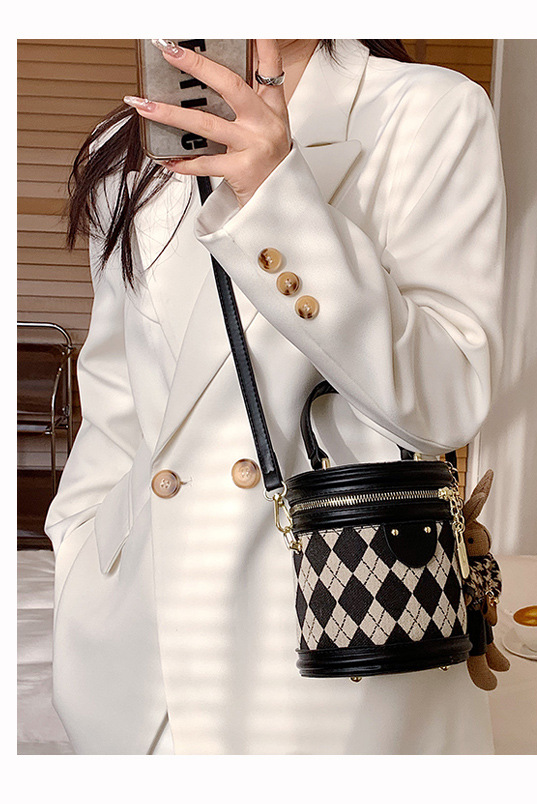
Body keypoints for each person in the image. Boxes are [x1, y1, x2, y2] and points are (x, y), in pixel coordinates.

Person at [46, 38, 506, 755]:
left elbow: (446, 402)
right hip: (137, 645)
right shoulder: (131, 142)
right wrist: (77, 548)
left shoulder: (426, 112)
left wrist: (275, 197)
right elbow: (116, 406)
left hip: (338, 631)